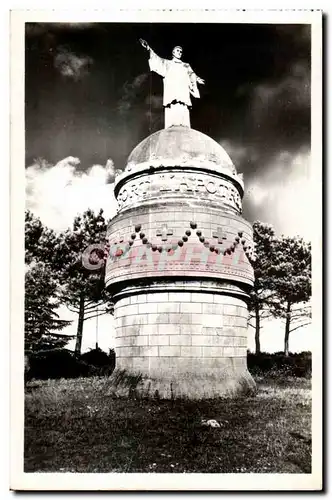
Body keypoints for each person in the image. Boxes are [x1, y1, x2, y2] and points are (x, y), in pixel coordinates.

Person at [139, 39, 205, 128]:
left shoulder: (186, 65)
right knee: (172, 105)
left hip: (183, 90)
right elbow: (157, 59)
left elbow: (191, 74)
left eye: (181, 51)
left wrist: (197, 79)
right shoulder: (167, 63)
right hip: (172, 90)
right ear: (173, 52)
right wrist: (148, 48)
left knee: (183, 105)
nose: (180, 52)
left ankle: (184, 125)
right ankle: (172, 125)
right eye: (177, 50)